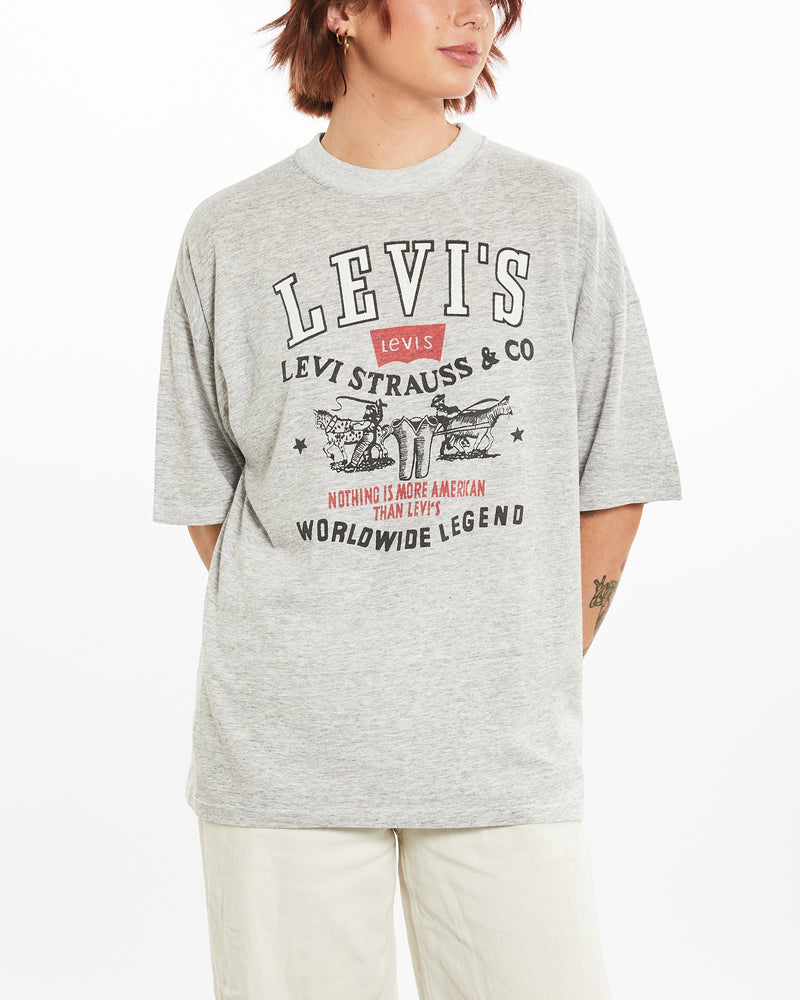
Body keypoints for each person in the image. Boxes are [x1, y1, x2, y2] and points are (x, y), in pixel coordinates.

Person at [152, 0, 681, 995]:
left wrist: (520, 659)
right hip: (284, 754)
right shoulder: (231, 232)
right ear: (344, 12)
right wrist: (324, 645)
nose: (473, 14)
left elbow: (616, 471)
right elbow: (206, 494)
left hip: (504, 753)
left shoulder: (553, 211)